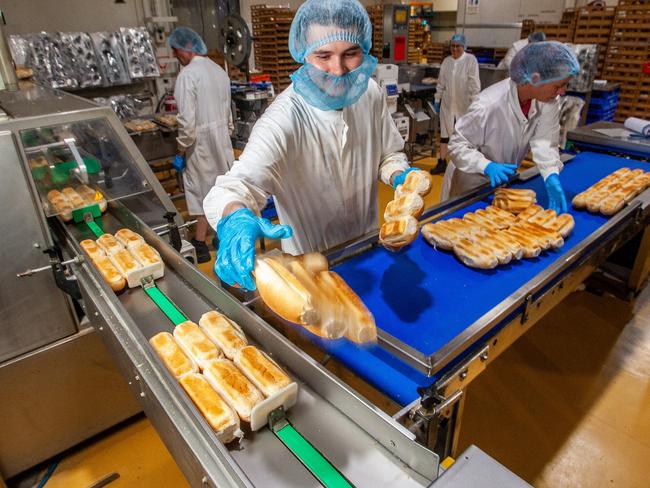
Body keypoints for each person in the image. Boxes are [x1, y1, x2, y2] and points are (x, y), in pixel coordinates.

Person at [203, 0, 418, 291]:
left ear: (364, 49)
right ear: (303, 54)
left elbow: (388, 152)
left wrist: (397, 173)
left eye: (350, 54)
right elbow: (237, 185)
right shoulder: (285, 117)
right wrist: (235, 216)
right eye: (323, 55)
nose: (338, 70)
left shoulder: (369, 93)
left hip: (370, 251)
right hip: (312, 269)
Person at [441, 41, 580, 214]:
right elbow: (457, 146)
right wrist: (486, 165)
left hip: (503, 181)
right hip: (470, 179)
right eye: (558, 85)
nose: (562, 92)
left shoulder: (549, 101)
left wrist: (551, 173)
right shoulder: (489, 104)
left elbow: (545, 141)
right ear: (535, 79)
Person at [169, 27, 234, 263]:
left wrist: (181, 149)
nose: (176, 55)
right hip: (221, 141)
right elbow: (228, 114)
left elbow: (187, 122)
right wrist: (225, 136)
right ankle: (222, 237)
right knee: (222, 189)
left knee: (200, 192)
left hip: (200, 144)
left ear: (186, 50)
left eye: (176, 51)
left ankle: (200, 244)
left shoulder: (187, 76)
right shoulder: (219, 71)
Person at [431, 33, 480, 175]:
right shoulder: (446, 61)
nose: (455, 49)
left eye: (458, 46)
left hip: (465, 105)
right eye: (452, 46)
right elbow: (441, 83)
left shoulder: (470, 60)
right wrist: (437, 99)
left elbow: (474, 84)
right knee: (445, 134)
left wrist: (474, 103)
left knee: (463, 134)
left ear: (463, 46)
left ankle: (462, 164)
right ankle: (441, 162)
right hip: (447, 104)